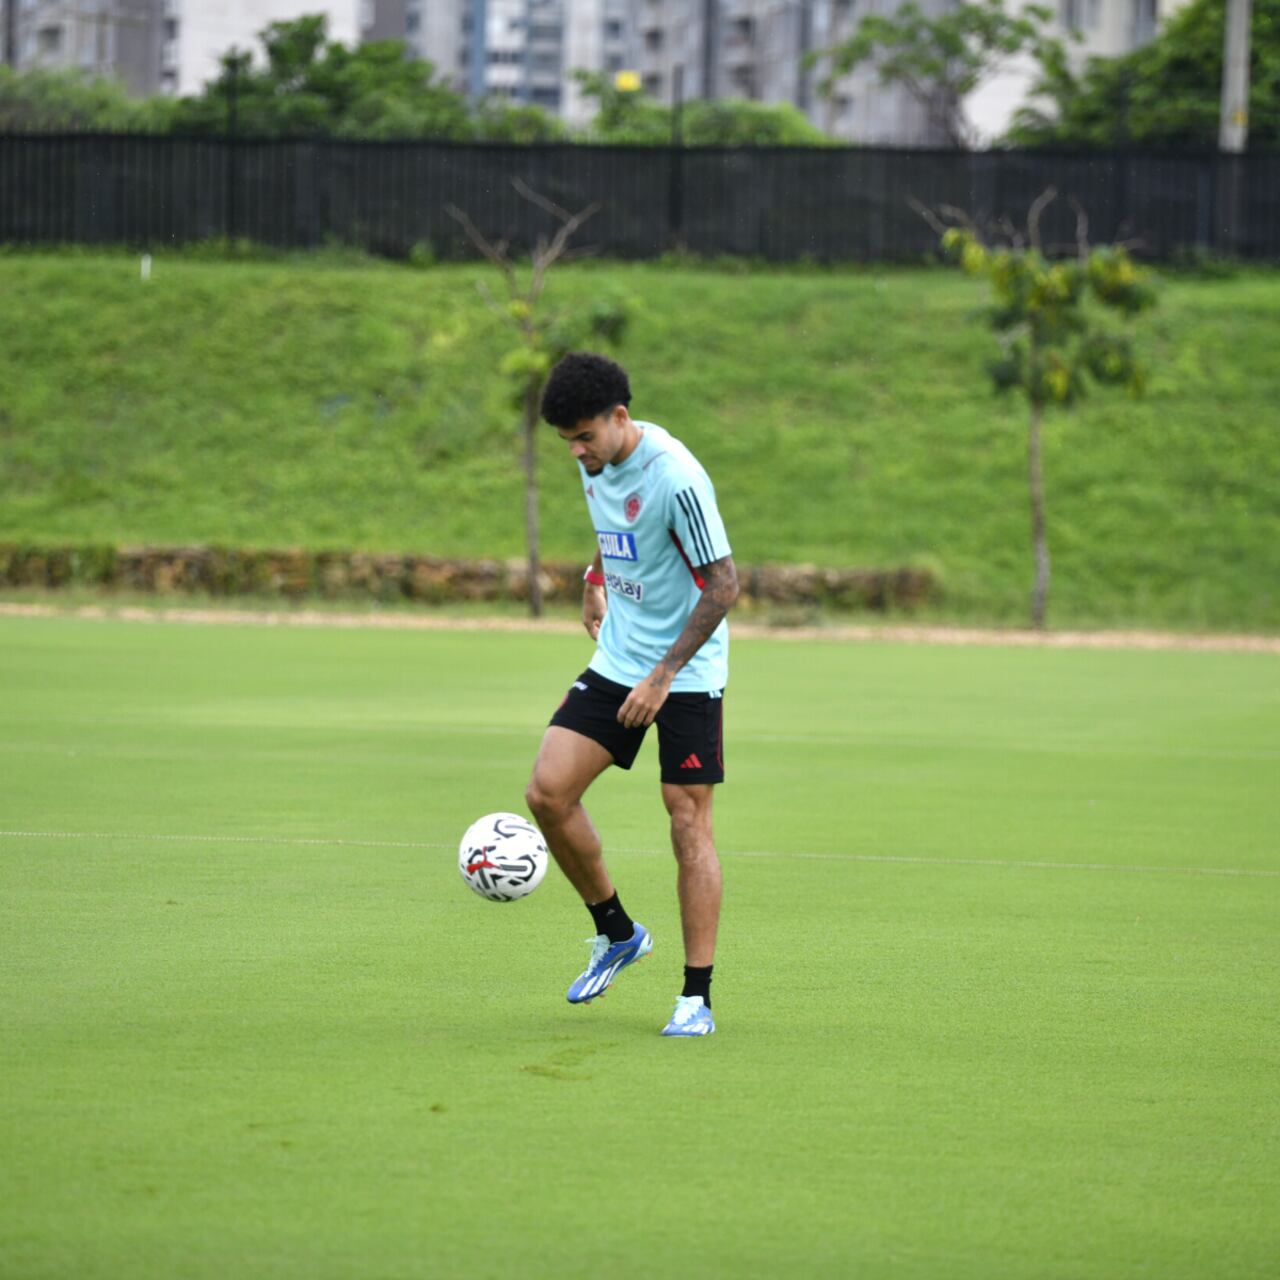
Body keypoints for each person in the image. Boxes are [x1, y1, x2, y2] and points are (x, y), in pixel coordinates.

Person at [525, 352, 739, 1038]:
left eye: (585, 437)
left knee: (686, 820)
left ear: (621, 418)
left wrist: (664, 674)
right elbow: (616, 524)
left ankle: (695, 998)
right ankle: (617, 933)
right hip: (620, 655)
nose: (577, 453)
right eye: (567, 443)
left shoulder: (676, 477)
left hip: (688, 667)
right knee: (548, 794)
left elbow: (724, 584)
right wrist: (595, 573)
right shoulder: (596, 460)